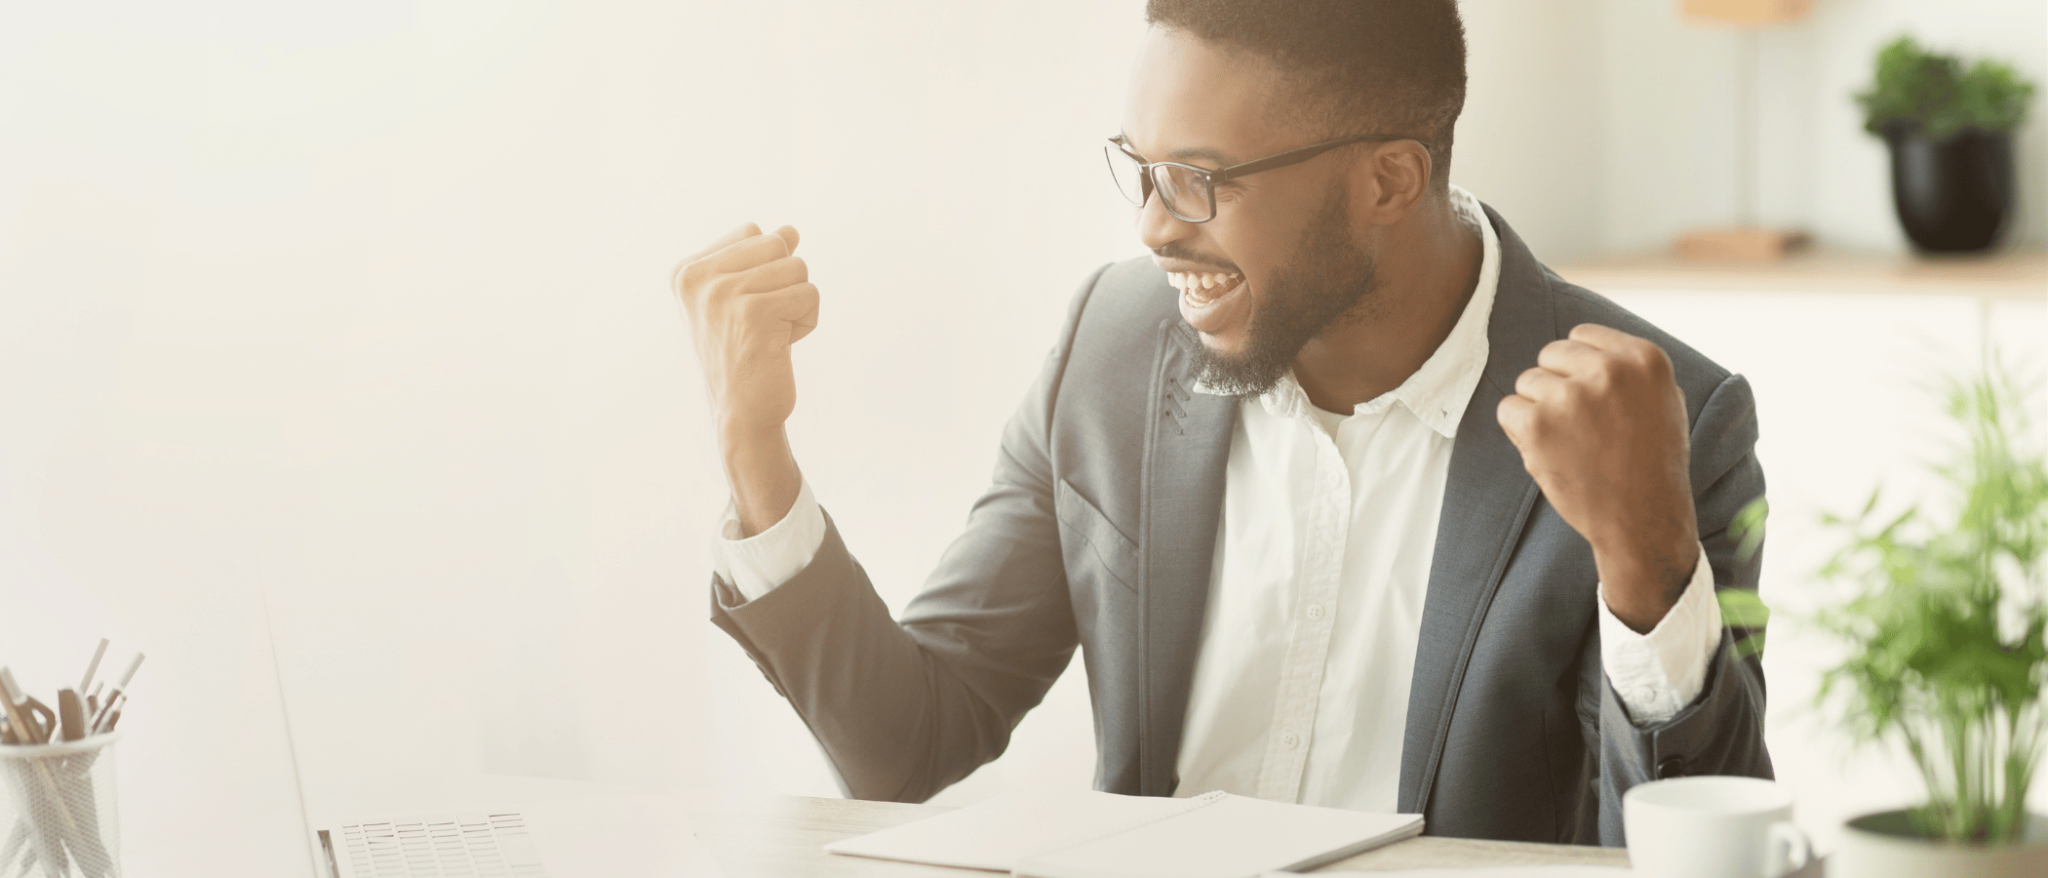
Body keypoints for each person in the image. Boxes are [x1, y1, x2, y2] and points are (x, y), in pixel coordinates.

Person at [672, 0, 1770, 846]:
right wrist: (755, 454)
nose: (1152, 226)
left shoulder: (1660, 414)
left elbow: (1679, 848)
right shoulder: (1108, 346)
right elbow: (906, 744)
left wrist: (1645, 561)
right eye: (1141, 168)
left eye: (1197, 180)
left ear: (1388, 180)